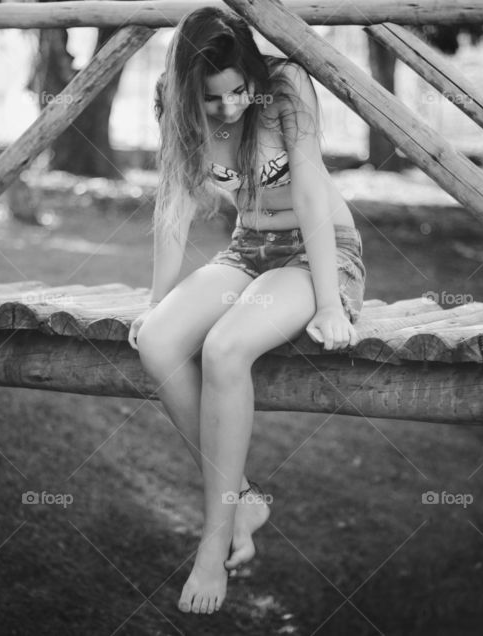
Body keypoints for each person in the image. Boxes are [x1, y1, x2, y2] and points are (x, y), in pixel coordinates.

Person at [127, 6, 366, 615]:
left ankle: (214, 543)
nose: (230, 108)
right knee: (157, 341)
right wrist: (157, 304)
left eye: (238, 92)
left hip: (319, 251)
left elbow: (309, 191)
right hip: (247, 249)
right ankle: (243, 498)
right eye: (212, 99)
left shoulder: (286, 86)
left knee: (225, 349)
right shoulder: (172, 101)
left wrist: (331, 303)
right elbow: (174, 204)